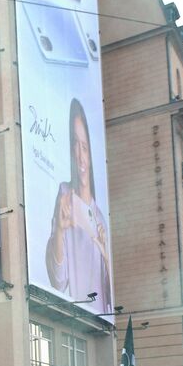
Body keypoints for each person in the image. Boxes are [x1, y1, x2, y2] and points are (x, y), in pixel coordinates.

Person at [44, 97, 112, 309]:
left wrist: (105, 255)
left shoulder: (100, 217)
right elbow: (58, 281)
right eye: (75, 144)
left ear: (91, 153)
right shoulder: (65, 196)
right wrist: (59, 231)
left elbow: (109, 299)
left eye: (85, 147)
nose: (80, 156)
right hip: (74, 319)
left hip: (99, 321)